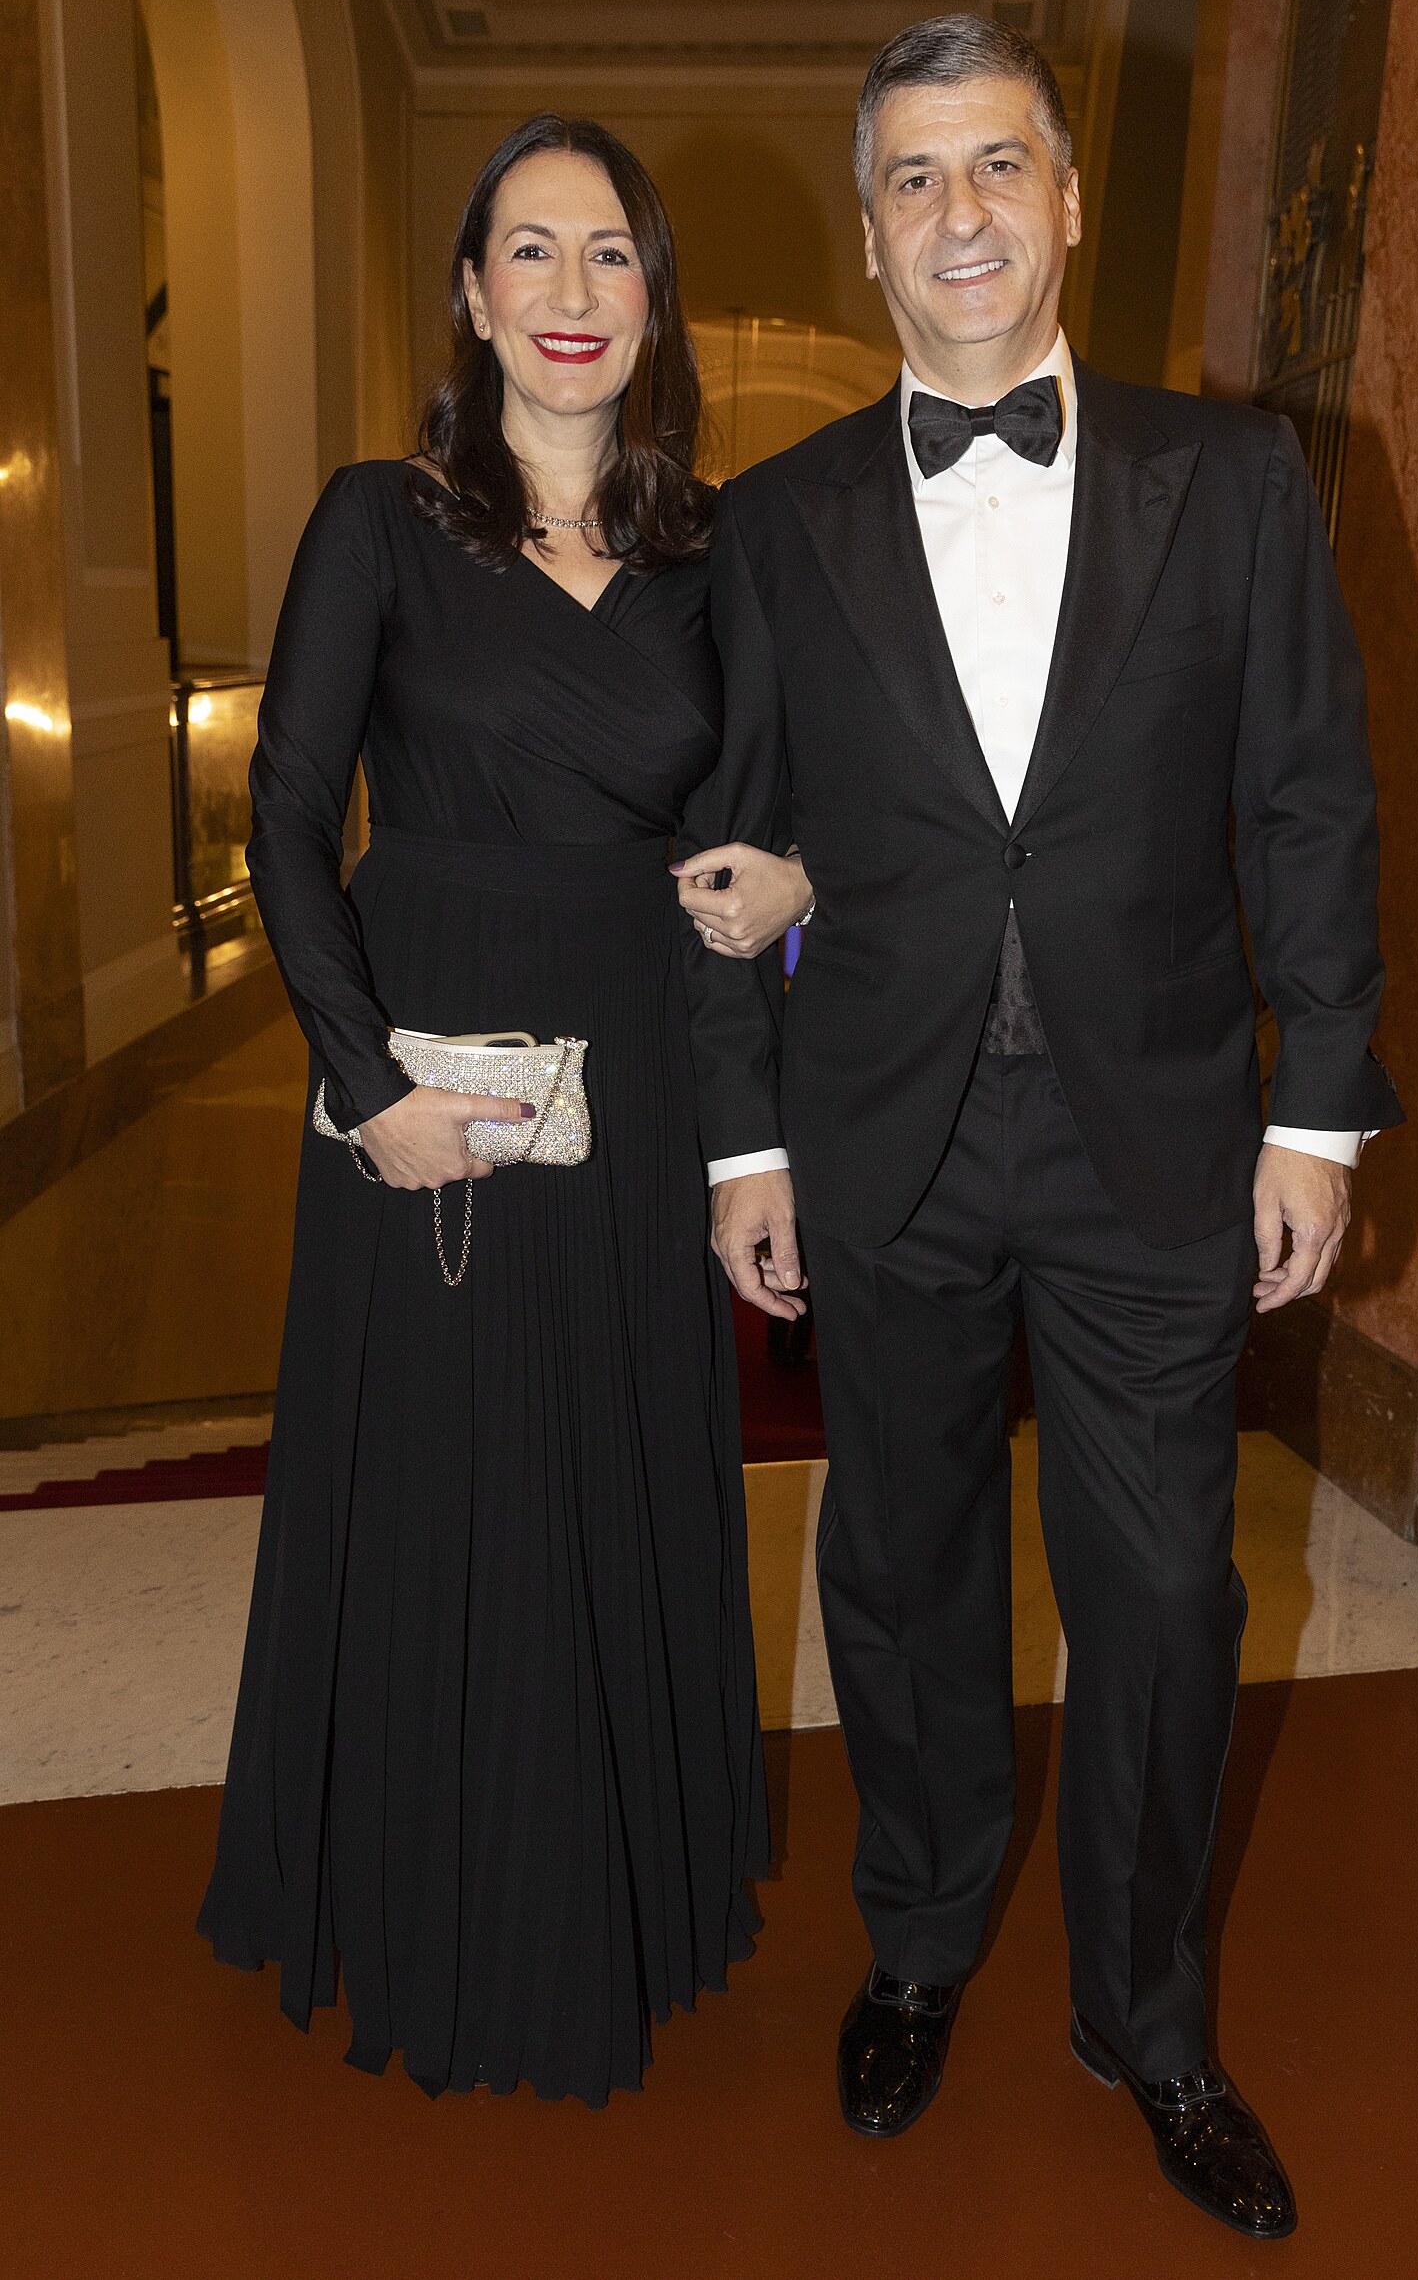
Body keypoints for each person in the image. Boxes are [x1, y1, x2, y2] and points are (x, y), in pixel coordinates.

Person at [676, 16, 1401, 2239]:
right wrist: (741, 1145)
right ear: (870, 233)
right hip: (876, 1133)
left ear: (1068, 200)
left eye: (997, 164)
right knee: (900, 1571)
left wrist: (1321, 1113)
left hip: (1153, 1134)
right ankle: (916, 1940)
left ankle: (1149, 2021)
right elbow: (729, 847)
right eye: (913, 178)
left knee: (1164, 1590)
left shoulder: (1236, 480)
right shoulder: (774, 526)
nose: (960, 213)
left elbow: (1307, 801)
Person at [199, 115, 812, 2105]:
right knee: (447, 1484)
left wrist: (789, 928)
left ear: (653, 298)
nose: (569, 290)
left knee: (607, 1465)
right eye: (528, 251)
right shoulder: (382, 521)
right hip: (431, 1078)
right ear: (470, 294)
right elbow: (290, 812)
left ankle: (613, 1893)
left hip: (637, 1068)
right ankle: (434, 1908)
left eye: (608, 252)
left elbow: (760, 839)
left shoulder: (714, 557)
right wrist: (361, 1081)